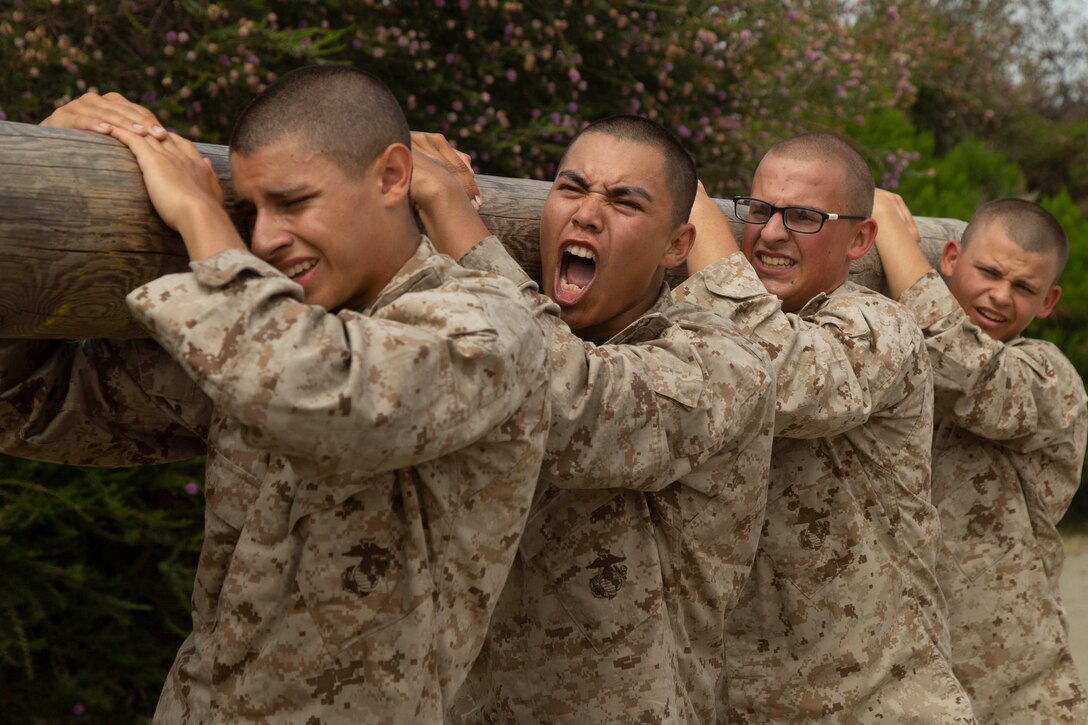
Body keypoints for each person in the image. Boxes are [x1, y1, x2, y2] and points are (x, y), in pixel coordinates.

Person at [4, 66, 551, 723]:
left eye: (292, 203)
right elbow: (28, 401)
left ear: (391, 176)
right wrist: (48, 172)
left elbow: (317, 390)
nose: (262, 238)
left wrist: (203, 216)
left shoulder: (485, 323)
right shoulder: (261, 329)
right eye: (250, 212)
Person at [410, 117, 776, 723]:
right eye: (571, 188)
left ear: (676, 246)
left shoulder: (724, 364)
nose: (586, 214)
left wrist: (450, 210)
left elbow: (563, 400)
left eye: (623, 202)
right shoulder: (496, 314)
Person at [675, 132, 977, 721]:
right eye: (759, 210)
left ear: (861, 238)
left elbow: (774, 372)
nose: (771, 232)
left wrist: (692, 210)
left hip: (882, 706)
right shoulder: (696, 329)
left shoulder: (881, 327)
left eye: (805, 216)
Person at [872, 190, 1088, 723]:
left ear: (1048, 302)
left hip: (1015, 691)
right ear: (950, 260)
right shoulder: (895, 363)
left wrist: (891, 230)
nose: (998, 295)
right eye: (988, 272)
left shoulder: (1049, 380)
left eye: (1023, 287)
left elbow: (964, 368)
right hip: (902, 682)